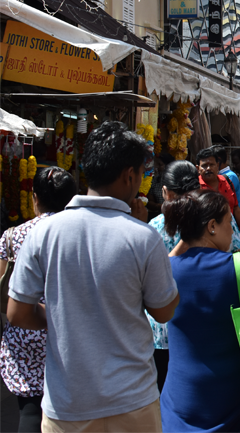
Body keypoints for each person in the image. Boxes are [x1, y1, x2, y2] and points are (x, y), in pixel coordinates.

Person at [7, 121, 179, 431]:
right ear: (130, 176)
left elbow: (17, 312)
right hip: (132, 401)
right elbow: (164, 311)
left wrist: (60, 314)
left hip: (66, 404)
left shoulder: (43, 232)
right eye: (142, 174)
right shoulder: (142, 237)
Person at [160, 190, 240, 431]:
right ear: (212, 226)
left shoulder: (168, 270)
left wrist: (185, 239)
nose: (233, 231)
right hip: (232, 395)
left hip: (181, 392)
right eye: (229, 222)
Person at [0, 167, 76, 433]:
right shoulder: (79, 234)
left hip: (24, 329)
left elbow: (2, 286)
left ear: (34, 197)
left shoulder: (12, 235)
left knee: (29, 410)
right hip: (68, 331)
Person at [146, 160, 201, 393]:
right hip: (204, 327)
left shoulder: (152, 228)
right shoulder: (214, 222)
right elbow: (237, 258)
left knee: (164, 397)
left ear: (165, 192)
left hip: (161, 332)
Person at [197, 147, 240, 246]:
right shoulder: (195, 187)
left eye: (211, 165)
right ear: (197, 168)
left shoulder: (227, 182)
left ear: (218, 166)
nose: (208, 168)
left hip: (231, 237)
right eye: (204, 166)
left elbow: (236, 208)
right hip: (206, 241)